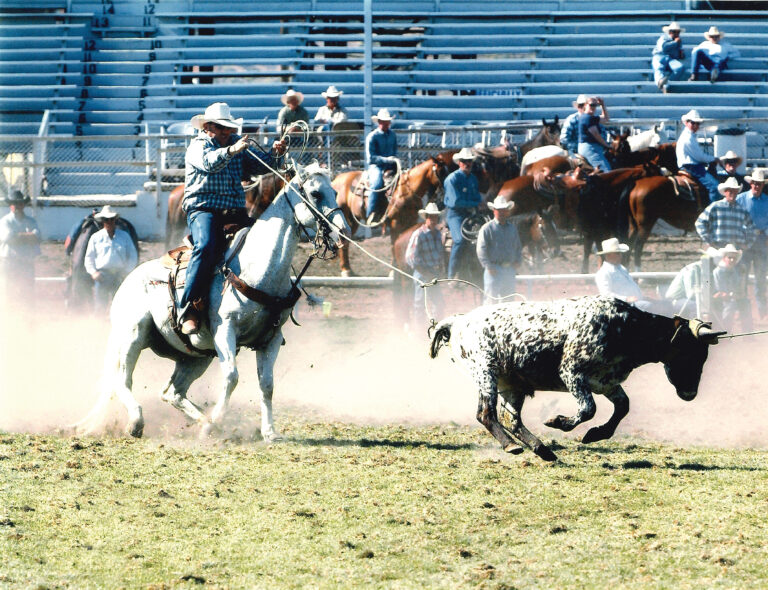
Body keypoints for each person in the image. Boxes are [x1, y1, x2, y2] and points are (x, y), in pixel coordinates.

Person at [181, 102, 286, 334]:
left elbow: (261, 165)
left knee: (270, 241)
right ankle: (189, 306)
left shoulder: (235, 145)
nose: (226, 132)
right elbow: (209, 164)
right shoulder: (197, 147)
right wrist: (233, 150)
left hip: (235, 212)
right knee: (206, 246)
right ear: (207, 127)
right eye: (221, 128)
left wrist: (277, 154)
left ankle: (272, 300)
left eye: (228, 128)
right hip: (204, 210)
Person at [84, 205, 138, 312]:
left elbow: (133, 256)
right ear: (103, 221)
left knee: (120, 307)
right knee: (100, 307)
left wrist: (126, 271)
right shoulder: (96, 237)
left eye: (112, 220)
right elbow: (89, 257)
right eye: (106, 220)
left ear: (115, 220)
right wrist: (93, 272)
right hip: (102, 276)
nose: (109, 222)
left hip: (119, 276)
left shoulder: (124, 236)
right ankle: (98, 326)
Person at [404, 202, 445, 327]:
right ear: (426, 217)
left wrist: (440, 269)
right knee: (420, 304)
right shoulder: (419, 234)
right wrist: (424, 271)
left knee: (438, 303)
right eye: (431, 217)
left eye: (435, 217)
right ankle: (419, 331)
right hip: (422, 273)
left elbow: (439, 254)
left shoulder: (438, 234)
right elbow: (410, 257)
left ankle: (434, 327)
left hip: (434, 273)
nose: (433, 220)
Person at [444, 147, 482, 279]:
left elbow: (477, 197)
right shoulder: (452, 179)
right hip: (456, 215)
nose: (467, 163)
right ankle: (451, 273)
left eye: (469, 161)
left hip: (471, 213)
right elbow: (455, 202)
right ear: (459, 163)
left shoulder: (473, 179)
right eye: (464, 161)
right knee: (459, 240)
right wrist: (474, 204)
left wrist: (476, 205)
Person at [476, 195, 522, 305]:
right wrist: (488, 266)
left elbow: (518, 247)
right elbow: (481, 249)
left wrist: (517, 261)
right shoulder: (487, 228)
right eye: (499, 210)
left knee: (509, 302)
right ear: (494, 211)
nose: (502, 212)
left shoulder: (512, 228)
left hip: (509, 268)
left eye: (504, 210)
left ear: (507, 211)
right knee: (491, 301)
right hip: (494, 268)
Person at [736, 168, 768, 318]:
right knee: (742, 276)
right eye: (754, 183)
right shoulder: (740, 199)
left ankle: (762, 309)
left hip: (762, 241)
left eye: (759, 184)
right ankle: (743, 310)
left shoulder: (767, 201)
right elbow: (735, 220)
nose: (756, 186)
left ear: (762, 185)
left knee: (761, 276)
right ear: (751, 184)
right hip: (745, 241)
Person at [0, 190, 41, 305]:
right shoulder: (4, 221)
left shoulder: (31, 221)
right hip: (9, 261)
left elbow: (37, 236)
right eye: (15, 203)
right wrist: (28, 236)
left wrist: (18, 236)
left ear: (24, 205)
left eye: (20, 203)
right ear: (10, 205)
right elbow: (9, 238)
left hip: (26, 261)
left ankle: (28, 319)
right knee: (9, 291)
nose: (18, 206)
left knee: (28, 292)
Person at [695, 176, 756, 252]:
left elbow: (752, 228)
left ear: (737, 192)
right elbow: (700, 223)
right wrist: (709, 241)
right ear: (725, 192)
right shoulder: (715, 206)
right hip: (718, 245)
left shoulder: (742, 209)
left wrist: (747, 244)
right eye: (730, 191)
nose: (732, 193)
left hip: (736, 247)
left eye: (735, 191)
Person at [676, 109, 721, 204]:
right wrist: (714, 159)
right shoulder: (688, 138)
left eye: (697, 123)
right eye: (693, 123)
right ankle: (712, 211)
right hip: (692, 167)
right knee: (715, 187)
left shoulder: (689, 136)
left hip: (692, 166)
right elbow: (699, 157)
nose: (696, 126)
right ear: (686, 122)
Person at [364, 108, 398, 224]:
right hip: (376, 166)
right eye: (383, 121)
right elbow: (371, 158)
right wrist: (386, 159)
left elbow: (394, 152)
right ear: (379, 122)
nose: (386, 124)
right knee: (377, 183)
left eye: (387, 121)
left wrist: (394, 160)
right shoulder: (372, 136)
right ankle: (371, 213)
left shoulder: (392, 135)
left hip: (390, 165)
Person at [665, 248, 720, 317]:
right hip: (677, 299)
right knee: (696, 307)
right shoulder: (693, 269)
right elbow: (691, 293)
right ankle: (694, 326)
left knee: (715, 305)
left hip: (691, 299)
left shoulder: (708, 271)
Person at [712, 243, 751, 331]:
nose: (732, 260)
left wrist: (737, 294)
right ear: (724, 258)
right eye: (729, 257)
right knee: (731, 305)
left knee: (745, 302)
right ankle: (725, 332)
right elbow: (720, 290)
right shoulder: (718, 271)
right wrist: (732, 295)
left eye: (734, 258)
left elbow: (737, 287)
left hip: (730, 296)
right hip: (717, 298)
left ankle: (748, 335)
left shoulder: (734, 271)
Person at [577, 97, 612, 171]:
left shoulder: (591, 118)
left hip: (592, 147)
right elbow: (596, 134)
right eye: (591, 105)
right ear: (586, 105)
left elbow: (606, 118)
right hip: (590, 147)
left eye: (595, 105)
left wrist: (602, 105)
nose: (593, 107)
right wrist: (606, 145)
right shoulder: (587, 118)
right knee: (606, 170)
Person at [652, 21, 686, 93]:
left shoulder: (678, 41)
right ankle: (660, 81)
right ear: (670, 32)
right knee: (658, 67)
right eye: (674, 32)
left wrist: (681, 54)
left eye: (678, 32)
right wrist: (675, 43)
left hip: (671, 59)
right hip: (660, 56)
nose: (676, 34)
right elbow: (664, 48)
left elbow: (679, 54)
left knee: (680, 67)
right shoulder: (664, 38)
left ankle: (667, 83)